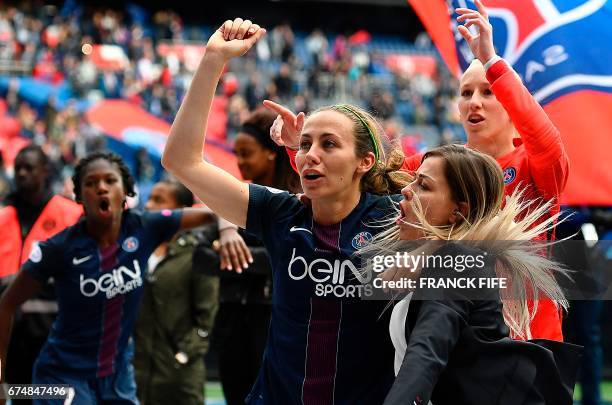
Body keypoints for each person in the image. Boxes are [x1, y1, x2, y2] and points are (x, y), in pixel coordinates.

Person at [268, 0, 569, 341]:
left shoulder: (534, 165)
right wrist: (303, 149)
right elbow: (362, 179)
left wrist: (491, 61)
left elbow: (546, 139)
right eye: (466, 92)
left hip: (529, 338)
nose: (474, 101)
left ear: (512, 102)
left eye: (489, 92)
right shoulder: (434, 166)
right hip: (456, 337)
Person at [162, 19, 410, 404]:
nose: (311, 154)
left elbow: (470, 195)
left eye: (329, 144)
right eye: (305, 144)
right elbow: (182, 160)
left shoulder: (398, 217)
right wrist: (213, 60)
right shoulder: (281, 213)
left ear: (365, 161)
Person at [0, 152, 215, 405]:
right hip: (63, 378)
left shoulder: (144, 227)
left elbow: (217, 211)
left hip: (118, 376)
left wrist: (228, 231)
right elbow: (6, 304)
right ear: (79, 197)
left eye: (110, 181)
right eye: (90, 183)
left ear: (126, 191)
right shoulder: (59, 248)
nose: (101, 188)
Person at [373, 144, 581, 405]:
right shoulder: (422, 262)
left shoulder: (459, 259)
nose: (406, 190)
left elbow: (427, 351)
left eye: (423, 186)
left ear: (458, 211)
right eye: (414, 180)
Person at [212, 107, 300, 405]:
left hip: (277, 323)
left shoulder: (294, 202)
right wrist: (225, 230)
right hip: (234, 324)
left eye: (246, 152)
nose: (239, 162)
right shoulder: (237, 204)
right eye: (235, 153)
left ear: (271, 153)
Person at [0, 145, 82, 403]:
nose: (22, 173)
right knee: (16, 395)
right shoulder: (4, 214)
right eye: (18, 168)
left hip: (52, 333)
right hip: (9, 334)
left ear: (45, 171)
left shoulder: (70, 213)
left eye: (29, 168)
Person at [133, 178, 219, 405]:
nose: (149, 206)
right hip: (137, 373)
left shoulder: (198, 253)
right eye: (150, 198)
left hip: (179, 378)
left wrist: (182, 356)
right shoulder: (136, 249)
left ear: (182, 211)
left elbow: (206, 317)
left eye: (159, 200)